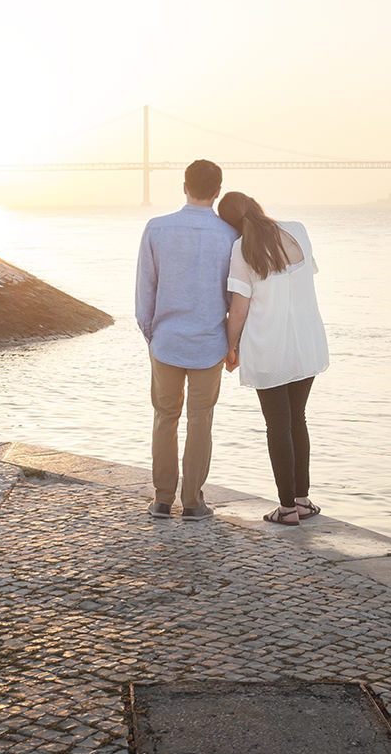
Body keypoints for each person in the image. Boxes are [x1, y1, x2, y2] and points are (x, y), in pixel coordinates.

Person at [218, 191, 329, 526]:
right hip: (306, 342)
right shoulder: (298, 229)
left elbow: (239, 308)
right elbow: (304, 276)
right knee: (298, 419)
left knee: (277, 424)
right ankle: (302, 501)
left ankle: (286, 509)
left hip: (269, 347)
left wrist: (230, 347)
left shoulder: (242, 248)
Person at [135, 159, 237, 521]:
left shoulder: (156, 228)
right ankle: (193, 502)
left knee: (165, 417)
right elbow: (233, 296)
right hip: (210, 342)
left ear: (183, 186)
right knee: (200, 420)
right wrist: (232, 342)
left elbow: (145, 290)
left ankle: (162, 500)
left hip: (166, 340)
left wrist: (152, 334)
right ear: (218, 190)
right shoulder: (228, 235)